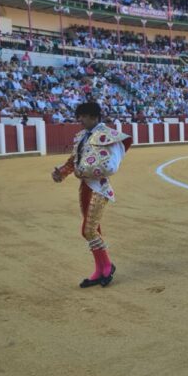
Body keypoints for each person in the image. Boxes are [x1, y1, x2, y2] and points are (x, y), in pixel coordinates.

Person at [52, 102, 131, 287]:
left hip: (99, 187)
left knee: (88, 230)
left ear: (94, 117)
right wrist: (61, 172)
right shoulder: (81, 136)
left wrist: (84, 170)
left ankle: (107, 266)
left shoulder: (108, 136)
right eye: (79, 116)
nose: (80, 120)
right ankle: (100, 270)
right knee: (92, 231)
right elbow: (73, 161)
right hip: (85, 187)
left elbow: (111, 166)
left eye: (84, 116)